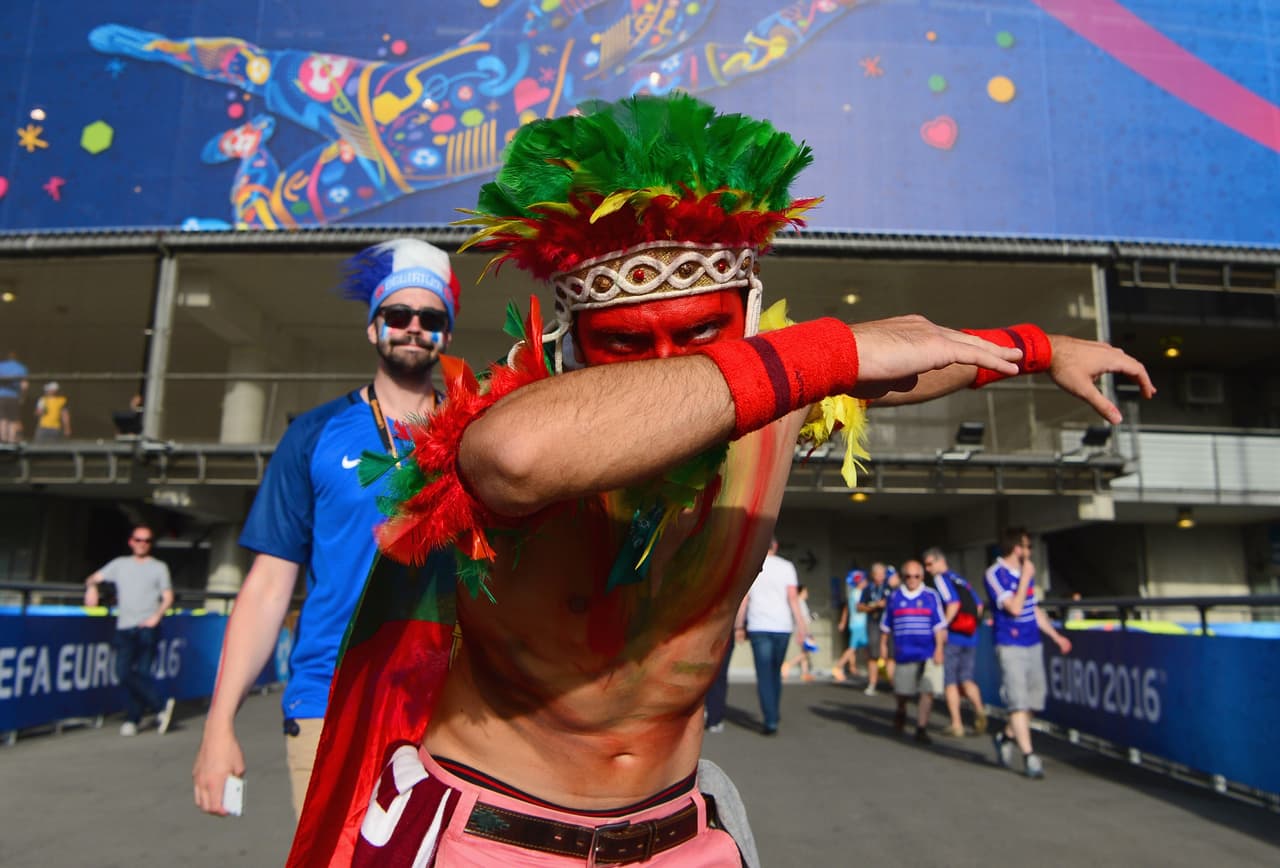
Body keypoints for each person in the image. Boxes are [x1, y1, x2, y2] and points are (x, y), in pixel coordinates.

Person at [287, 94, 1154, 866]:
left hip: (680, 834)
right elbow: (508, 460)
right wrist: (826, 352)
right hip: (493, 839)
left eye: (700, 335)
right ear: (568, 344)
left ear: (747, 320)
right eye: (625, 345)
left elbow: (921, 362)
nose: (668, 367)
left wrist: (1039, 349)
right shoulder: (534, 423)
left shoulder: (776, 401)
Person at [191, 238, 461, 818]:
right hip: (329, 699)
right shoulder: (313, 434)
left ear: (445, 333)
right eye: (398, 315)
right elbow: (268, 587)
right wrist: (219, 725)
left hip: (453, 707)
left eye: (430, 318)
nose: (413, 327)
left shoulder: (479, 435)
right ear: (373, 327)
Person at [985, 527, 1074, 779]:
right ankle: (1029, 756)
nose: (1030, 552)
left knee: (1036, 700)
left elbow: (1032, 609)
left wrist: (1055, 636)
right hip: (1009, 644)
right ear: (1017, 548)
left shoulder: (1027, 574)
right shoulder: (995, 574)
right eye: (1027, 546)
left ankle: (1006, 736)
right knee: (1018, 700)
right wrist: (1024, 579)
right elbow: (1013, 607)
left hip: (1032, 641)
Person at [84, 524, 176, 737]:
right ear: (131, 542)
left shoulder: (159, 567)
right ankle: (160, 705)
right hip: (125, 625)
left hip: (148, 626)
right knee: (123, 672)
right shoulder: (119, 564)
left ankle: (133, 719)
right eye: (138, 540)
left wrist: (156, 616)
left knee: (143, 673)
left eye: (147, 541)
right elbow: (93, 577)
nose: (142, 544)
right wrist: (92, 588)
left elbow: (168, 596)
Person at [736, 540, 808, 734]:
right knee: (775, 671)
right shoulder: (786, 567)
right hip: (782, 626)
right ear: (775, 546)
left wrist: (739, 625)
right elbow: (793, 598)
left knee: (764, 674)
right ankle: (773, 712)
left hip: (759, 625)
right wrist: (801, 627)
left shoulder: (752, 565)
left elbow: (745, 599)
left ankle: (771, 718)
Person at [923, 546, 988, 737]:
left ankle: (957, 723)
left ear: (938, 561)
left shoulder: (941, 579)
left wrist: (943, 626)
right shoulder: (960, 579)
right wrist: (973, 624)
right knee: (967, 679)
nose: (927, 569)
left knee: (950, 680)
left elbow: (953, 603)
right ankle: (979, 710)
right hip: (971, 634)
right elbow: (978, 605)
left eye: (929, 564)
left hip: (953, 635)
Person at [879, 560, 946, 744]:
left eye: (916, 576)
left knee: (927, 690)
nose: (912, 580)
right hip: (904, 651)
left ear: (922, 577)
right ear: (903, 577)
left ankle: (921, 728)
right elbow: (885, 627)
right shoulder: (894, 598)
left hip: (928, 651)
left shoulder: (931, 596)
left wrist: (940, 649)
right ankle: (901, 708)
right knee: (903, 691)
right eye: (908, 576)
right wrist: (884, 649)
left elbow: (939, 626)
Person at [859, 562, 892, 695]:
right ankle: (872, 683)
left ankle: (892, 684)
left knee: (890, 654)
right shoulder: (868, 589)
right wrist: (873, 607)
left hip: (889, 624)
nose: (880, 577)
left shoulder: (890, 588)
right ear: (872, 575)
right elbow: (860, 606)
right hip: (873, 622)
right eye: (877, 574)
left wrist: (885, 604)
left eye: (882, 574)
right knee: (873, 654)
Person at [832, 569, 867, 682]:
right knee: (853, 648)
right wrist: (873, 607)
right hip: (859, 624)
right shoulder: (858, 593)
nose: (866, 583)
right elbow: (859, 607)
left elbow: (846, 609)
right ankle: (838, 667)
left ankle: (852, 668)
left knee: (856, 647)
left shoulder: (852, 593)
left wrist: (843, 622)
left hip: (854, 623)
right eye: (864, 581)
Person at [780, 584, 818, 682]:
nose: (807, 593)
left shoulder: (800, 602)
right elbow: (803, 619)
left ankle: (805, 673)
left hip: (799, 630)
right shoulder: (800, 603)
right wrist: (808, 632)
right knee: (806, 652)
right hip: (802, 631)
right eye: (805, 591)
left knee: (804, 652)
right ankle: (788, 665)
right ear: (801, 592)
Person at [0, 350, 27, 443]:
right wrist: (22, 397)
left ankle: (3, 440)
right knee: (13, 419)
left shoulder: (1, 366)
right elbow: (24, 385)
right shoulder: (21, 367)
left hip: (1, 396)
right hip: (13, 397)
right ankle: (11, 440)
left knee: (2, 419)